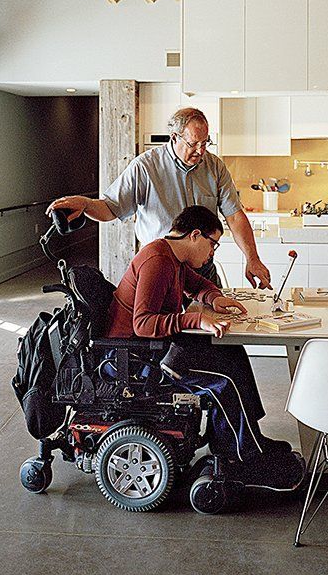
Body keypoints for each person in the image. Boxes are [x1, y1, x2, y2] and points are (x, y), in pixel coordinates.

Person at [105, 205, 304, 488]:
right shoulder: (156, 261)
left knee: (232, 353)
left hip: (157, 348)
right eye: (213, 244)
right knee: (224, 381)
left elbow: (197, 285)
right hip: (137, 358)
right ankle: (244, 457)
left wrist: (213, 298)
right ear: (195, 235)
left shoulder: (172, 257)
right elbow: (143, 324)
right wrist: (196, 319)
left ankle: (249, 438)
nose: (213, 253)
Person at [47, 107, 271, 288]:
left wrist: (253, 258)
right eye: (194, 144)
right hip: (160, 268)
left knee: (216, 330)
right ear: (174, 137)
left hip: (202, 269)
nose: (201, 151)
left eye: (205, 143)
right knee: (163, 335)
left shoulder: (214, 166)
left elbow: (235, 217)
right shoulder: (145, 167)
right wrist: (86, 204)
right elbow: (110, 208)